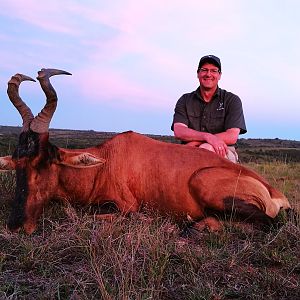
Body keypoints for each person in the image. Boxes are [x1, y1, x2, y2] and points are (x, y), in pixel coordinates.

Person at [171, 55, 247, 163]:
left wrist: (198, 143)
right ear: (198, 74)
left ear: (219, 75)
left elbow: (232, 136)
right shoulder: (185, 100)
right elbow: (179, 131)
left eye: (213, 71)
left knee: (206, 149)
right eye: (204, 70)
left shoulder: (232, 100)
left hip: (223, 149)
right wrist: (207, 137)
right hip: (188, 151)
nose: (208, 74)